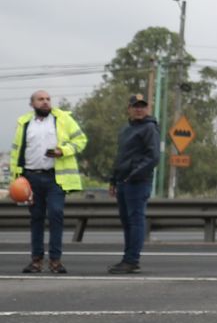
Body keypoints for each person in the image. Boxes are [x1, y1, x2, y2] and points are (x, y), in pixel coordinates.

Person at [9, 91, 87, 274]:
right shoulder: (24, 123)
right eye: (40, 99)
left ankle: (55, 261)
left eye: (47, 99)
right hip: (30, 178)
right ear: (32, 104)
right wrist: (16, 179)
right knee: (36, 218)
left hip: (55, 178)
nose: (45, 102)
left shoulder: (63, 119)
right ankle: (36, 261)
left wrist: (63, 150)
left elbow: (81, 140)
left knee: (55, 214)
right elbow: (16, 152)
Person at [106, 93, 160, 274]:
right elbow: (120, 157)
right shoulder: (125, 130)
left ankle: (131, 259)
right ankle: (127, 258)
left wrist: (134, 174)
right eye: (135, 106)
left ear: (147, 108)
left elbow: (153, 157)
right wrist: (113, 179)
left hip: (138, 182)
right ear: (128, 109)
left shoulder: (149, 128)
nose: (139, 109)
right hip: (123, 181)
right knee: (127, 222)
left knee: (136, 221)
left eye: (142, 106)